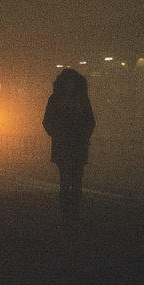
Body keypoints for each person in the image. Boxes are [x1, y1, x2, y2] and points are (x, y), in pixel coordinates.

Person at [42, 68, 96, 218]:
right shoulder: (80, 100)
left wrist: (56, 134)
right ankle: (69, 210)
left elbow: (91, 122)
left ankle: (70, 209)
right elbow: (90, 122)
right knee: (68, 179)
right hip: (72, 145)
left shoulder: (58, 100)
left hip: (70, 145)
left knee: (74, 179)